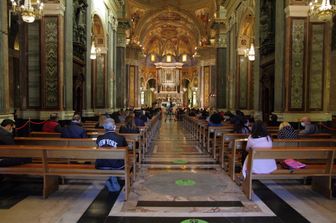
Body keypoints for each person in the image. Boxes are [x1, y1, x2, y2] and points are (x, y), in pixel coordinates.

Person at [95, 118, 128, 192]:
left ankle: (112, 178)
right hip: (116, 165)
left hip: (101, 164)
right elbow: (126, 149)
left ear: (104, 127)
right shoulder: (120, 138)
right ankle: (113, 179)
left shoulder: (99, 138)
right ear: (115, 127)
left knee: (109, 159)